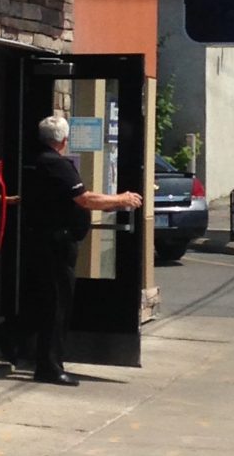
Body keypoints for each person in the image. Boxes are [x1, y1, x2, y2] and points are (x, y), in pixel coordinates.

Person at [20, 115, 142, 386]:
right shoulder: (56, 164)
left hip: (42, 240)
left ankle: (34, 354)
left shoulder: (33, 161)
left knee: (48, 302)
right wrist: (121, 199)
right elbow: (84, 199)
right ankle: (50, 367)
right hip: (55, 244)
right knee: (56, 305)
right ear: (63, 140)